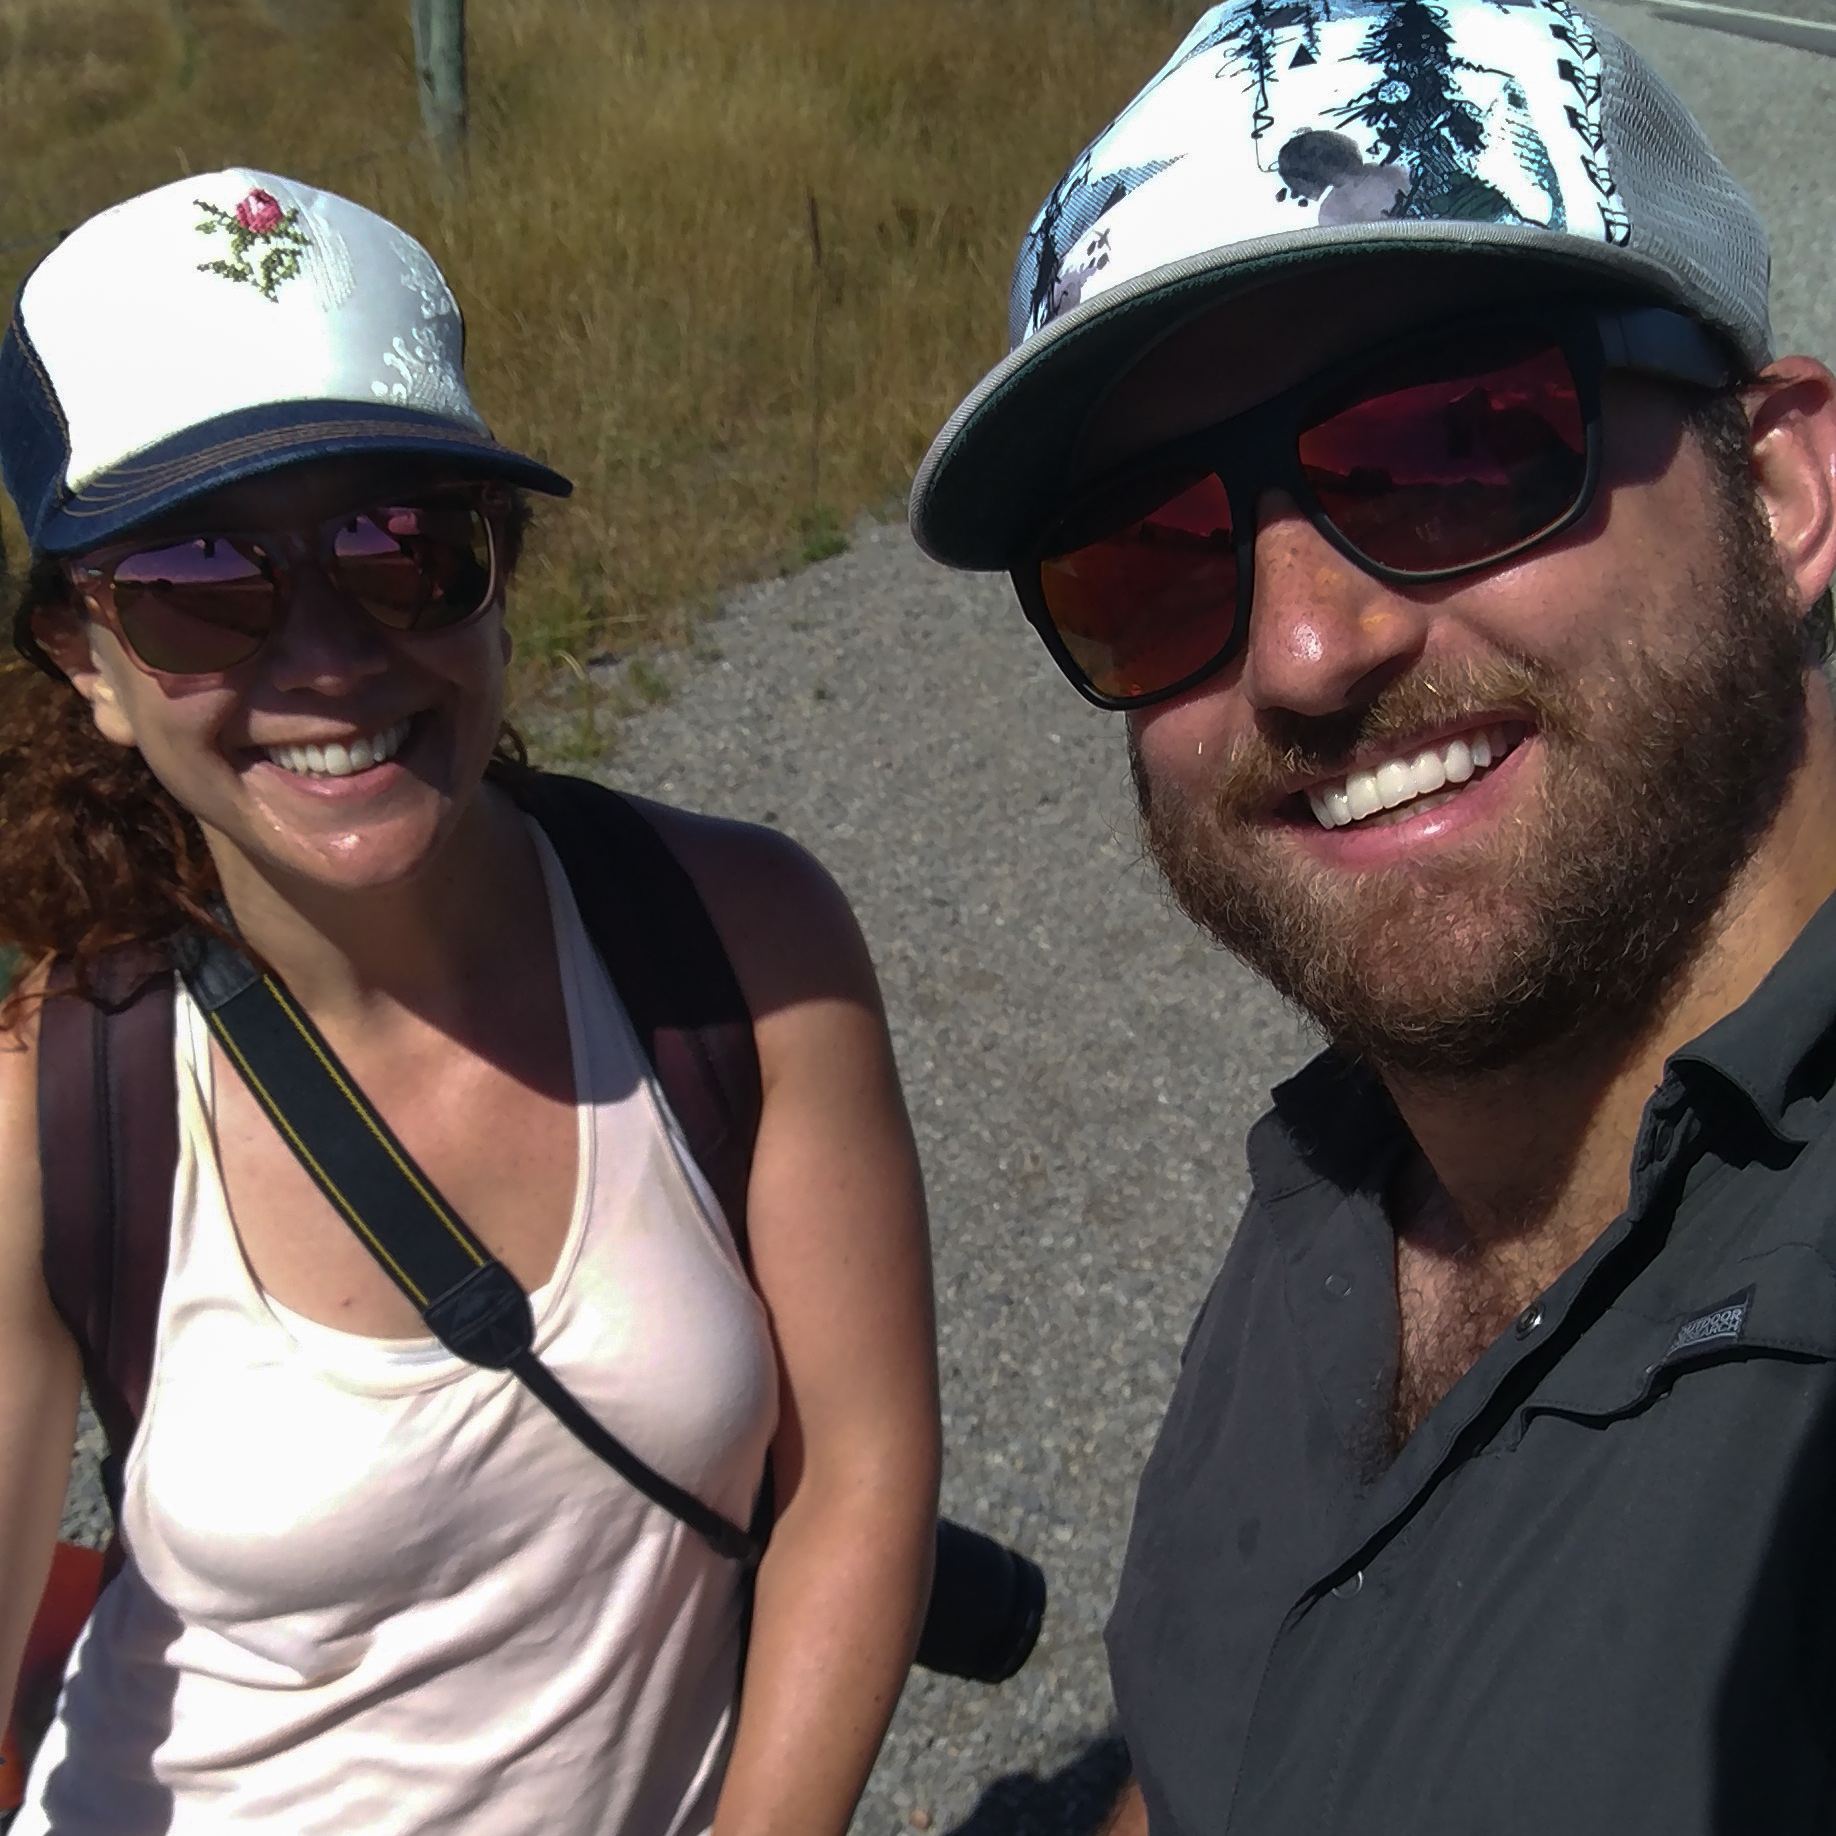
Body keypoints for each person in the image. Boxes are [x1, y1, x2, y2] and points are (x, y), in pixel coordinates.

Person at [911, 1, 1836, 1829]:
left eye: (1457, 447)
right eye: (1146, 555)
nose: (1305, 654)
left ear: (1787, 486)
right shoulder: (1350, 1172)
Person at [0, 169, 939, 1834]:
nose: (329, 663)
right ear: (92, 666)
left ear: (501, 575)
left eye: (401, 551)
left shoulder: (737, 941)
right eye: (203, 587)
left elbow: (858, 1478)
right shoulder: (53, 1100)